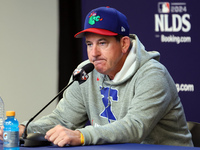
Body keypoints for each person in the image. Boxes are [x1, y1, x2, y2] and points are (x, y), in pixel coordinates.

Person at [0, 6, 193, 147]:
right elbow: (64, 119)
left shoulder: (152, 74)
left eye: (102, 43)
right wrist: (26, 128)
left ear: (124, 44)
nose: (94, 53)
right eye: (89, 44)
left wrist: (82, 136)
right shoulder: (86, 72)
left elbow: (135, 128)